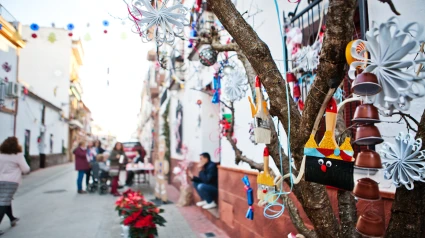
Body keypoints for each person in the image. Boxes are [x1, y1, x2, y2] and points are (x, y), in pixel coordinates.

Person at [0, 137, 30, 235]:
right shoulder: (18, 155)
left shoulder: (1, 155)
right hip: (12, 181)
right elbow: (26, 169)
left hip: (1, 180)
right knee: (4, 201)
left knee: (5, 199)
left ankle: (12, 218)